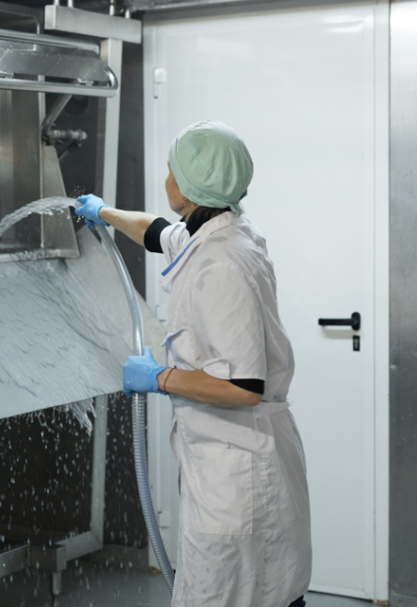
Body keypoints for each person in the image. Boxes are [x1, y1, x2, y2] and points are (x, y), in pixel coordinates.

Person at [75, 120, 311, 607]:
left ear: (187, 185)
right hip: (228, 458)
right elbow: (158, 233)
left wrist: (160, 378)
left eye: (170, 168)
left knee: (227, 591)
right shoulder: (219, 232)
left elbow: (244, 385)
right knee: (252, 589)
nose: (165, 177)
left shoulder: (220, 264)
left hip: (237, 468)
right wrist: (105, 213)